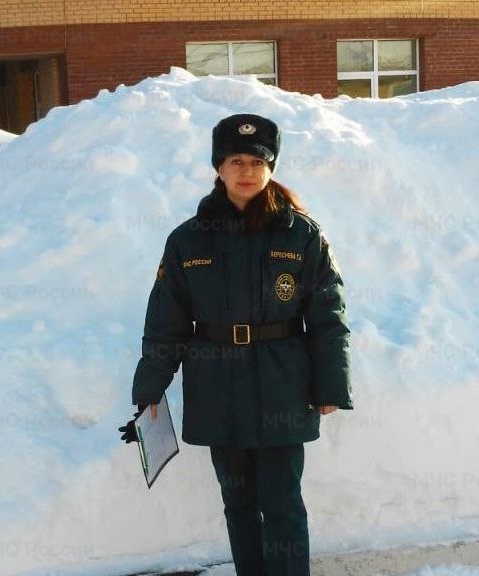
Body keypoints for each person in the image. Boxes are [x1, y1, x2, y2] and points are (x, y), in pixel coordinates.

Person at [120, 113, 352, 576]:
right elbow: (166, 323)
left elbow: (328, 315)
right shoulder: (188, 239)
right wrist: (149, 391)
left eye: (257, 161)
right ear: (219, 168)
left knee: (282, 502)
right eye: (235, 160)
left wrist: (331, 385)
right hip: (216, 385)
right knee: (239, 502)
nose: (246, 170)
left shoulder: (301, 234)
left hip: (283, 383)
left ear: (271, 167)